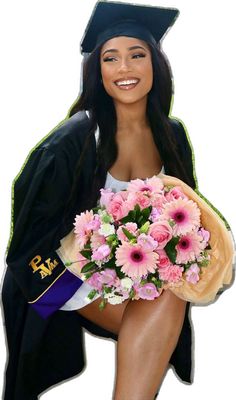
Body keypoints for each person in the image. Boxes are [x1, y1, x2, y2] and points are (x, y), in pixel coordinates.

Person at [1, 1, 234, 399]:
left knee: (165, 300)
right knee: (163, 307)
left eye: (136, 55)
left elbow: (190, 217)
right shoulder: (75, 139)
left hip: (138, 277)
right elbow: (28, 238)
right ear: (98, 71)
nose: (125, 69)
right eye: (111, 58)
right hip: (62, 276)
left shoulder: (171, 135)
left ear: (155, 65)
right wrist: (94, 265)